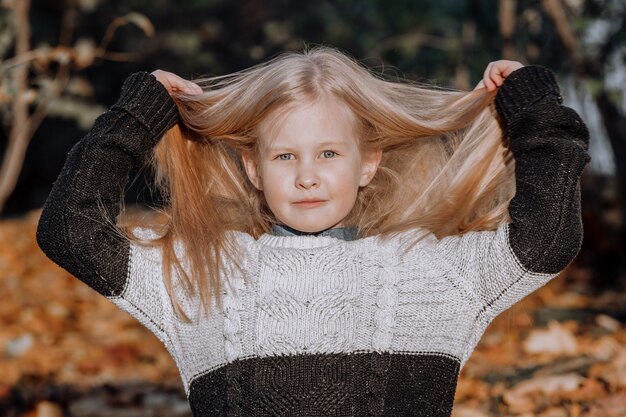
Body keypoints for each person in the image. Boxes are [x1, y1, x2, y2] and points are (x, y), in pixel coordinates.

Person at [36, 46, 590, 416]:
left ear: (367, 162)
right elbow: (69, 230)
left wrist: (531, 100)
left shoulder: (431, 270)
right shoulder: (207, 273)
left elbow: (546, 240)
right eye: (283, 156)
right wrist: (142, 112)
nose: (306, 176)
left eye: (328, 153)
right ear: (254, 169)